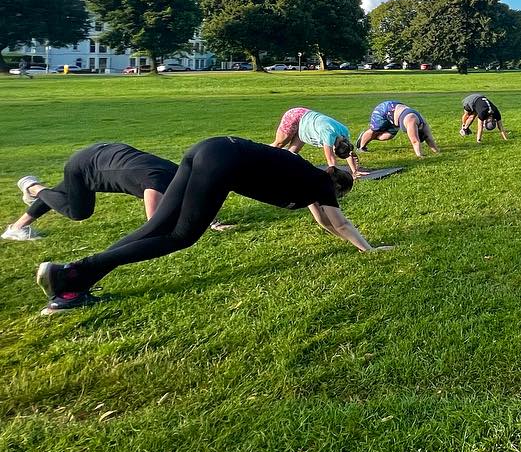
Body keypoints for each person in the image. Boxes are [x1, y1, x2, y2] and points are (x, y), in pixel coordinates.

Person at [33, 136, 389, 313]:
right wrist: (369, 248)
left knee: (158, 227)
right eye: (340, 196)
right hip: (223, 162)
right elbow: (338, 223)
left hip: (209, 149)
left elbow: (325, 221)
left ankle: (72, 283)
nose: (336, 201)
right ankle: (75, 272)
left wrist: (346, 238)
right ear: (338, 186)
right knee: (180, 236)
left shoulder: (311, 180)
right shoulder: (323, 184)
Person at [6, 143, 178, 241]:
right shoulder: (156, 184)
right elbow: (155, 226)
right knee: (78, 212)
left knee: (64, 192)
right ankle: (34, 188)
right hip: (85, 167)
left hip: (103, 155)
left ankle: (17, 227)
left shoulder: (177, 172)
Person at [272, 107, 369, 177]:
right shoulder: (328, 135)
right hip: (295, 116)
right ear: (335, 148)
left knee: (291, 154)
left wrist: (354, 171)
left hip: (305, 126)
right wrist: (334, 178)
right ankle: (262, 155)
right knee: (278, 144)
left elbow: (348, 153)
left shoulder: (344, 132)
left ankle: (278, 170)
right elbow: (331, 160)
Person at [357, 101, 440, 157]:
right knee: (376, 129)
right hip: (385, 109)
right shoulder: (411, 122)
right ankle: (362, 147)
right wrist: (420, 156)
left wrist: (437, 152)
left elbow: (429, 138)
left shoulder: (424, 125)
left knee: (388, 136)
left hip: (395, 116)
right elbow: (415, 141)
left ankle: (367, 137)